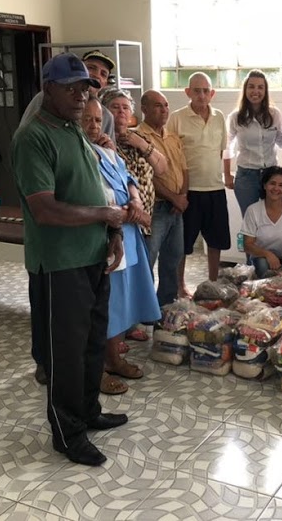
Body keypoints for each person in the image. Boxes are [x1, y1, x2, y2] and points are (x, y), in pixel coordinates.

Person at [11, 53, 128, 466]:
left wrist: (112, 233)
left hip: (93, 255)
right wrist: (103, 215)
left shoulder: (72, 128)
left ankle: (88, 412)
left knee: (93, 342)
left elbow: (91, 187)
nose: (81, 96)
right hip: (60, 264)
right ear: (48, 88)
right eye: (72, 88)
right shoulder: (33, 137)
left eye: (85, 88)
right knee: (66, 352)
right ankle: (67, 433)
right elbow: (45, 209)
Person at [81, 97, 161, 394]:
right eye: (87, 120)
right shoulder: (78, 153)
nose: (93, 126)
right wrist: (132, 212)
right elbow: (96, 199)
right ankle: (98, 368)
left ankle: (114, 358)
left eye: (97, 120)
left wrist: (136, 202)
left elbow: (129, 180)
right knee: (103, 306)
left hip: (126, 234)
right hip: (101, 237)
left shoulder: (107, 150)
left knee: (121, 302)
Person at [104, 88, 167, 344]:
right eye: (115, 107)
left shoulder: (137, 138)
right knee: (120, 279)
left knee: (140, 274)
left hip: (144, 221)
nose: (121, 112)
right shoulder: (102, 142)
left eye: (125, 107)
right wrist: (137, 214)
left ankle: (131, 324)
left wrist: (140, 143)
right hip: (123, 221)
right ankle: (117, 334)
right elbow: (114, 185)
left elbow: (162, 167)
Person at [169, 72, 231, 289]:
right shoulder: (176, 118)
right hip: (189, 191)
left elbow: (222, 150)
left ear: (212, 93)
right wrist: (178, 192)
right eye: (197, 90)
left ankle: (213, 283)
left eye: (206, 91)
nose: (202, 95)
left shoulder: (219, 117)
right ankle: (180, 285)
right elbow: (171, 154)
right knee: (183, 243)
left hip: (215, 188)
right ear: (188, 92)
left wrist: (226, 176)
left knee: (216, 241)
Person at [136, 90, 189, 307]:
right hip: (155, 209)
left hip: (176, 209)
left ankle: (166, 305)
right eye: (158, 105)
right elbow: (146, 177)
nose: (164, 110)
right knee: (148, 260)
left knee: (173, 258)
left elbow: (184, 170)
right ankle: (145, 309)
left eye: (166, 105)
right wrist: (174, 197)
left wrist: (182, 197)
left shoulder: (173, 137)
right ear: (144, 109)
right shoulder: (138, 137)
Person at [223, 70, 282, 217]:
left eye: (260, 87)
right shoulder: (235, 117)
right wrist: (227, 175)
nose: (256, 91)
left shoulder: (275, 114)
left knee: (272, 218)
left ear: (265, 91)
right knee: (250, 221)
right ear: (245, 89)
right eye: (251, 86)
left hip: (271, 175)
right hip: (246, 176)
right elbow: (226, 146)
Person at [19, 49, 116, 141]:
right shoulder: (47, 98)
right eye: (91, 68)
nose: (96, 75)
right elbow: (26, 135)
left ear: (106, 83)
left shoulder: (107, 116)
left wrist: (108, 148)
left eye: (103, 74)